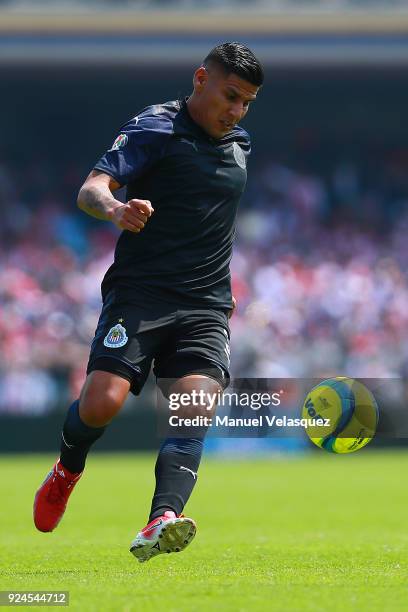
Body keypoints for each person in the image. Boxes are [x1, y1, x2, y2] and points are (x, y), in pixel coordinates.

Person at [33, 42, 263, 562]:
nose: (237, 111)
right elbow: (90, 190)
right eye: (230, 96)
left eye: (247, 102)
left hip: (205, 303)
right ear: (201, 78)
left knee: (193, 408)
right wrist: (116, 209)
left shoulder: (240, 142)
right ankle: (67, 469)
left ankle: (162, 518)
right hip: (141, 295)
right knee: (102, 404)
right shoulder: (155, 127)